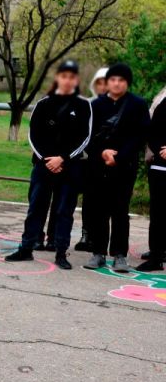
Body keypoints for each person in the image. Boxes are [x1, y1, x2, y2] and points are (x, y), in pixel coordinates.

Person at [5, 60, 92, 270]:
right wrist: (47, 160)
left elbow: (84, 137)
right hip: (43, 167)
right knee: (36, 208)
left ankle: (61, 252)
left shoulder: (83, 105)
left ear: (76, 80)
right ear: (57, 79)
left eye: (72, 77)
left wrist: (63, 158)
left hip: (69, 168)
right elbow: (33, 135)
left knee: (64, 211)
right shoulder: (43, 104)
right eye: (64, 76)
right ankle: (26, 248)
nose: (67, 80)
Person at [83, 63, 151, 272]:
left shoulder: (137, 105)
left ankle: (120, 254)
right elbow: (87, 134)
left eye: (121, 80)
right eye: (113, 79)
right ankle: (98, 252)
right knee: (98, 210)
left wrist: (119, 157)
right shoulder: (95, 105)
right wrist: (101, 153)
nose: (116, 83)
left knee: (120, 211)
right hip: (99, 165)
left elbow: (141, 135)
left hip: (124, 166)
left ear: (127, 83)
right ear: (107, 82)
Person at [75, 67, 110, 252]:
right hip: (88, 159)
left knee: (105, 201)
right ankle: (86, 234)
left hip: (110, 161)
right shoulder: (87, 105)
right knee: (89, 199)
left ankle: (100, 238)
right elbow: (81, 133)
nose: (103, 86)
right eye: (99, 83)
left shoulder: (117, 106)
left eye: (106, 82)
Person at [137, 95, 166, 271]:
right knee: (157, 214)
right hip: (159, 167)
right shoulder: (163, 105)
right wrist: (160, 150)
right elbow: (152, 132)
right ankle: (156, 255)